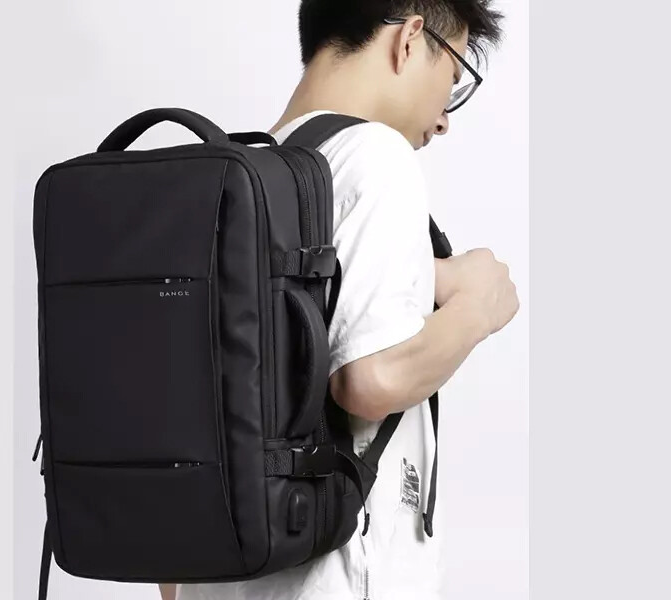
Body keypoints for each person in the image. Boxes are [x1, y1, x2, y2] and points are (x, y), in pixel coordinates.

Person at [167, 1, 519, 599]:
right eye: (453, 77)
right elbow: (369, 379)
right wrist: (477, 308)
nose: (443, 121)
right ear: (411, 40)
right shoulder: (375, 156)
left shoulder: (233, 181)